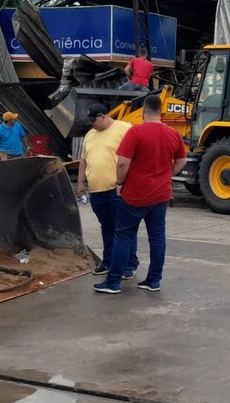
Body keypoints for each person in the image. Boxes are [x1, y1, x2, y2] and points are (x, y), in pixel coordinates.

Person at [95, 94, 186, 294]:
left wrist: (119, 182)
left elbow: (122, 162)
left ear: (143, 111)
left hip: (136, 195)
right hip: (161, 196)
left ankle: (113, 282)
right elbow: (182, 161)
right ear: (160, 111)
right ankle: (153, 280)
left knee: (123, 235)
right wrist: (166, 175)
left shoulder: (136, 131)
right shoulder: (173, 133)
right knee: (157, 237)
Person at [78, 103, 139, 283]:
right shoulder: (90, 135)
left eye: (94, 121)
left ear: (103, 116)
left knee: (124, 228)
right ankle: (109, 261)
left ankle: (130, 264)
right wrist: (80, 183)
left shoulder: (124, 129)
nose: (92, 125)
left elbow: (134, 157)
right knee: (107, 227)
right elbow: (83, 161)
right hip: (97, 191)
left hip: (117, 190)